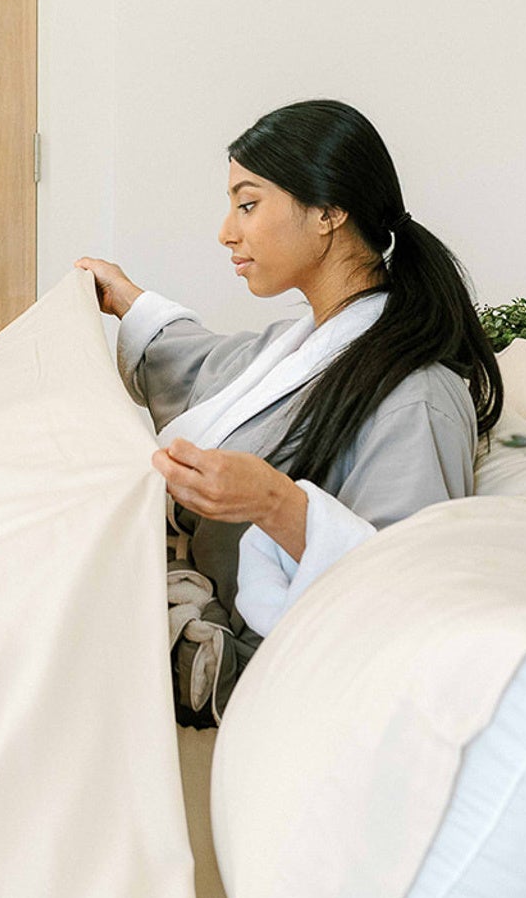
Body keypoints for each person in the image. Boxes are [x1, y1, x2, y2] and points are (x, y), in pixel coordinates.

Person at [76, 99, 503, 726]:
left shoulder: (416, 397)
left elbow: (409, 589)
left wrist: (277, 503)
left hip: (266, 667)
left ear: (329, 212)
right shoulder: (306, 341)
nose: (227, 231)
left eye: (247, 205)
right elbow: (214, 371)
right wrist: (130, 302)